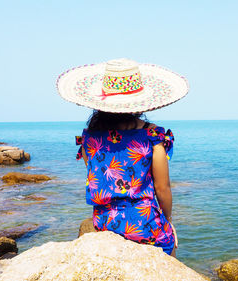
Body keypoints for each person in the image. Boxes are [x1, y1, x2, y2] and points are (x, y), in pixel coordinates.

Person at [56, 58, 189, 256]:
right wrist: (168, 222)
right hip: (145, 226)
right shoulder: (152, 136)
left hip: (104, 225)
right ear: (139, 101)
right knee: (168, 241)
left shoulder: (88, 139)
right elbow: (162, 188)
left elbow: (99, 178)